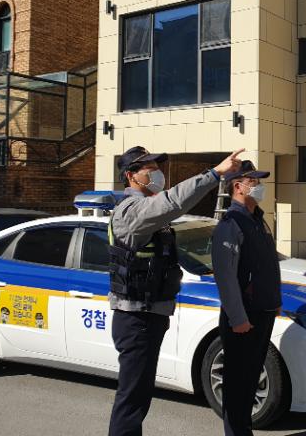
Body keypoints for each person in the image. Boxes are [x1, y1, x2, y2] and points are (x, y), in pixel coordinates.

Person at [108, 145, 244, 436]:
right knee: (132, 400)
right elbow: (173, 201)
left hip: (148, 316)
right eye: (150, 169)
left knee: (138, 396)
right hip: (136, 318)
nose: (157, 174)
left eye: (158, 168)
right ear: (131, 176)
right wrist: (214, 174)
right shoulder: (132, 211)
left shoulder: (148, 210)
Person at [211, 160, 282, 436]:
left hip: (263, 312)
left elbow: (269, 264)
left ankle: (244, 431)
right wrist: (237, 317)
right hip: (244, 318)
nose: (259, 186)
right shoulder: (231, 223)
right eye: (254, 182)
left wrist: (275, 299)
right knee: (237, 384)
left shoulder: (257, 219)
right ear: (238, 186)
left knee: (250, 379)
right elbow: (226, 276)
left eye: (259, 181)